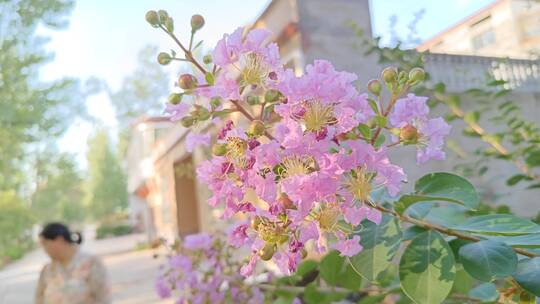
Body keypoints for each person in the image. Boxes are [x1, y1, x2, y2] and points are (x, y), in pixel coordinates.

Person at [35, 223, 111, 304]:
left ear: (59, 240)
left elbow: (103, 297)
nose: (44, 249)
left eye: (45, 243)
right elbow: (39, 298)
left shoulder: (91, 263)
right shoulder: (47, 270)